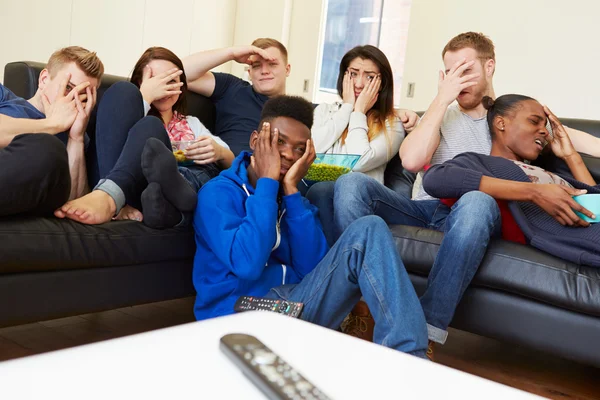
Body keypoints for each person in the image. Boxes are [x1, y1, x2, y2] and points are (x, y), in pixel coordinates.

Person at [335, 32, 600, 356]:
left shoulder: (515, 117)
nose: (458, 80)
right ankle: (361, 303)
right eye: (450, 72)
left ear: (490, 66)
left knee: (477, 201)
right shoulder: (442, 113)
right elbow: (411, 160)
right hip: (424, 208)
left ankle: (425, 333)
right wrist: (441, 99)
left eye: (466, 70)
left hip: (474, 214)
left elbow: (574, 144)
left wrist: (567, 149)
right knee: (349, 184)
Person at [192, 95, 428, 358]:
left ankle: (407, 357)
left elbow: (311, 271)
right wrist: (268, 186)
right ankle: (408, 357)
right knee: (367, 230)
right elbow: (247, 264)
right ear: (255, 141)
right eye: (279, 141)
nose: (287, 155)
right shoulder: (217, 194)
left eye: (299, 149)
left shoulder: (292, 198)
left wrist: (291, 192)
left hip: (288, 305)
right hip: (237, 315)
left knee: (369, 228)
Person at [55, 47, 232, 228]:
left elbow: (233, 163)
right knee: (145, 119)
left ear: (181, 87)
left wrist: (219, 152)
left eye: (171, 81)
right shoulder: (125, 108)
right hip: (107, 180)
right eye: (156, 80)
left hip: (154, 191)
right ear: (141, 82)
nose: (163, 87)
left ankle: (153, 202)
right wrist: (145, 96)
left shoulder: (191, 123)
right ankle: (113, 197)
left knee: (154, 137)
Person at [423, 94, 600, 265]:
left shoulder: (548, 168)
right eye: (533, 121)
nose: (544, 131)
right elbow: (435, 178)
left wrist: (571, 156)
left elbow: (595, 201)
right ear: (501, 123)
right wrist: (534, 192)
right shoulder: (483, 163)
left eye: (545, 126)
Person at [0, 46, 103, 216]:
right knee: (47, 146)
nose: (76, 100)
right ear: (44, 79)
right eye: (69, 88)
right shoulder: (4, 97)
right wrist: (52, 124)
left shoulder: (78, 138)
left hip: (23, 203)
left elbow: (72, 206)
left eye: (84, 95)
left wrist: (76, 138)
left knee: (49, 150)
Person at [183, 38, 289, 155]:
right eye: (256, 66)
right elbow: (178, 72)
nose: (264, 71)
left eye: (272, 64)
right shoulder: (232, 88)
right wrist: (231, 53)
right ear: (249, 73)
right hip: (224, 170)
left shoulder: (301, 111)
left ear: (287, 69)